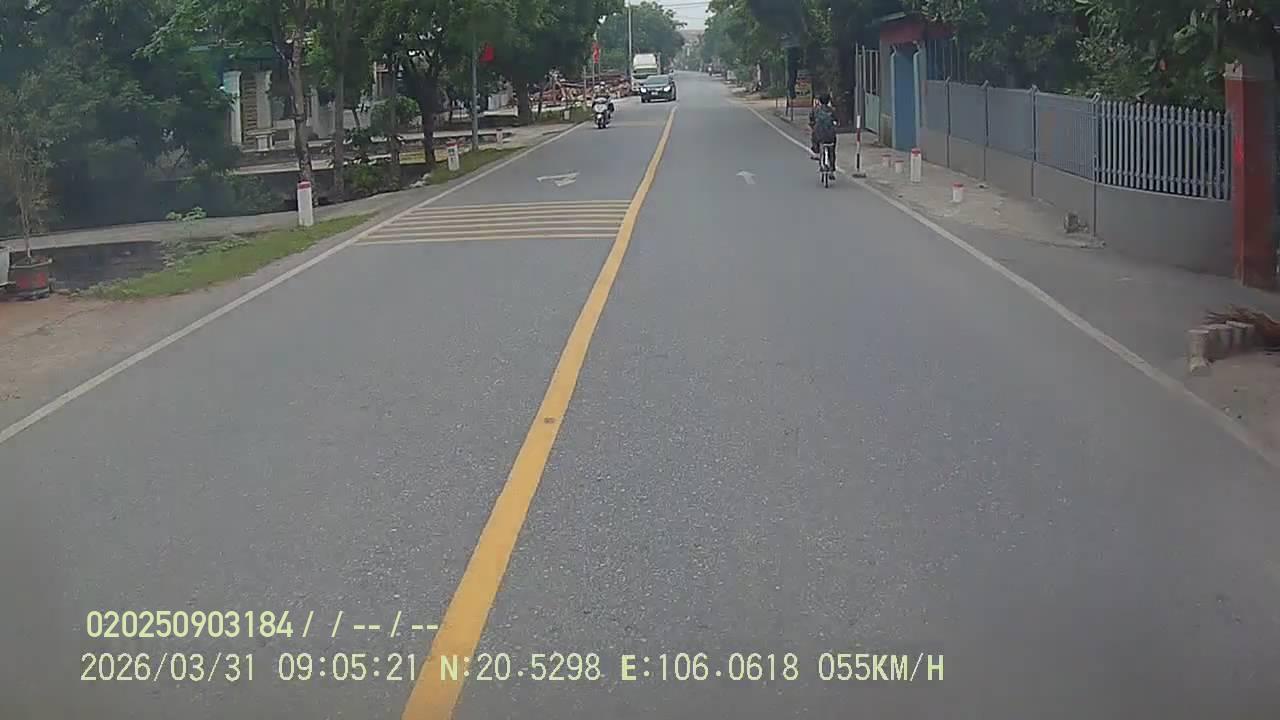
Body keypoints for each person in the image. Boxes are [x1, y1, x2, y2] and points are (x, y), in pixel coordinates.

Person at [808, 93, 837, 161]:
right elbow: (836, 120)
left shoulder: (816, 110)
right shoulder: (832, 110)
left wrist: (812, 124)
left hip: (819, 135)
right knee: (832, 146)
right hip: (830, 135)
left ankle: (816, 151)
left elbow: (811, 119)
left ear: (820, 101)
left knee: (814, 136)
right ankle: (832, 163)